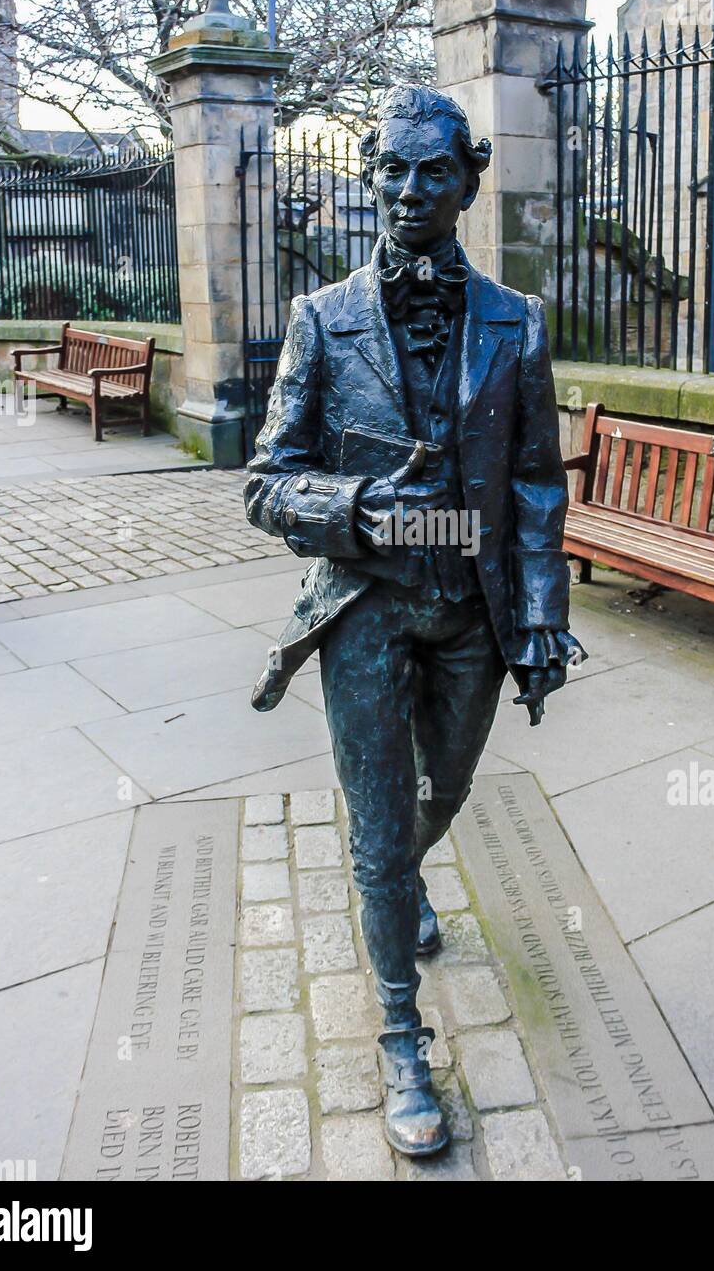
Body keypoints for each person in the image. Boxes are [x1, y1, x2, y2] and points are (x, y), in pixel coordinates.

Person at [244, 84, 583, 1156]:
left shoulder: (515, 321)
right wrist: (349, 508)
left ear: (468, 180)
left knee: (447, 790)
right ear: (368, 177)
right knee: (381, 836)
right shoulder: (321, 317)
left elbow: (534, 482)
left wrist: (537, 617)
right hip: (366, 613)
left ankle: (403, 877)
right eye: (390, 169)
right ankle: (401, 1038)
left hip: (473, 615)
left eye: (433, 170)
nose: (408, 189)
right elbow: (266, 482)